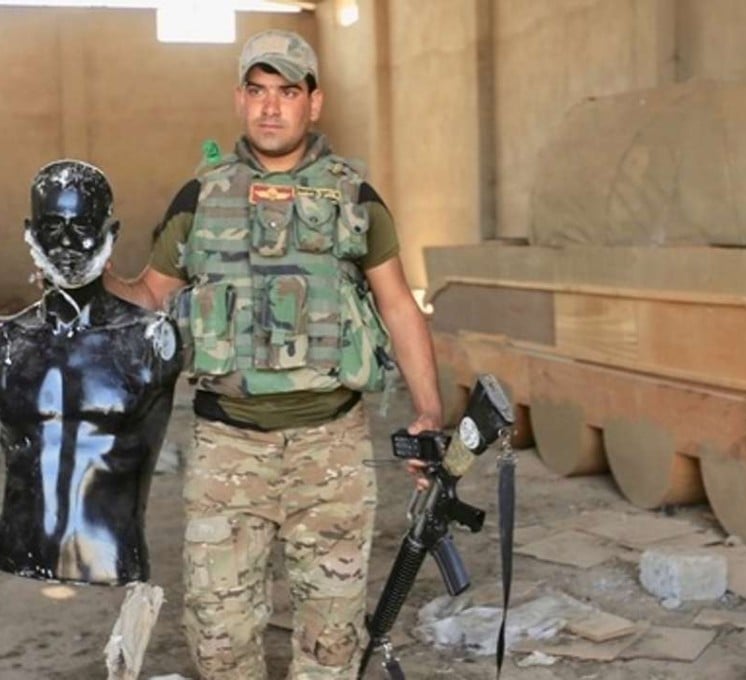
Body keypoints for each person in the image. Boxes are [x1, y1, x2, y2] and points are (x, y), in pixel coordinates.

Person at [104, 29, 442, 679]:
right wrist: (92, 273)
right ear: (239, 99)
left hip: (332, 449)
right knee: (219, 634)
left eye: (287, 91)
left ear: (313, 102)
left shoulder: (354, 198)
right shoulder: (200, 198)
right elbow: (148, 293)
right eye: (257, 91)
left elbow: (399, 305)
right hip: (228, 449)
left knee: (334, 640)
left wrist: (429, 411)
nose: (270, 107)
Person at [0, 159, 182, 585]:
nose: (66, 242)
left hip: (111, 559)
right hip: (17, 556)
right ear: (30, 233)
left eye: (82, 226)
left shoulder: (151, 341)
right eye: (52, 226)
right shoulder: (8, 343)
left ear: (110, 234)